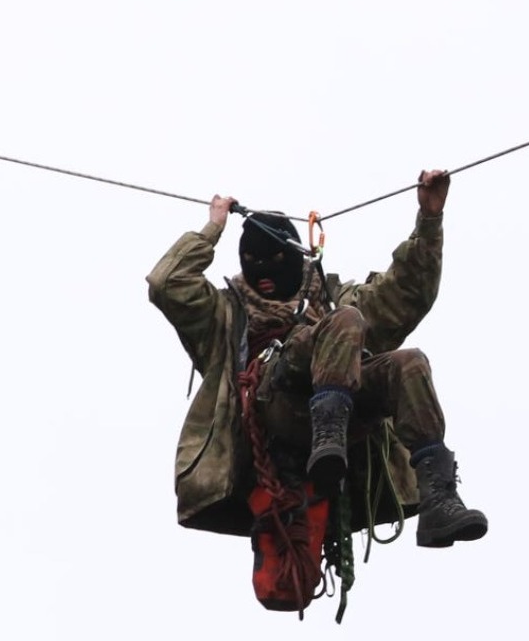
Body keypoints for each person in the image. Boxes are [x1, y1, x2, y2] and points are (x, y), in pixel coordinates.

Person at [146, 170, 487, 552]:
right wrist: (212, 229)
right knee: (343, 322)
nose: (264, 272)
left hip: (347, 414)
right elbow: (166, 283)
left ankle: (438, 499)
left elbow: (405, 295)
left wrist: (429, 218)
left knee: (408, 363)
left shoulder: (332, 299)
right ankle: (327, 435)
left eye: (275, 260)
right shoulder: (222, 315)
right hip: (274, 406)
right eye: (253, 261)